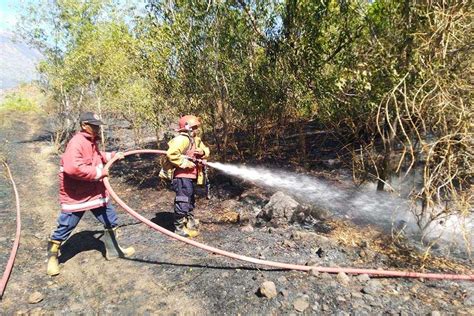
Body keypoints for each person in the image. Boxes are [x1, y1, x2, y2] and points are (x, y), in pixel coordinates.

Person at [47, 112, 135, 276]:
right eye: (93, 125)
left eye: (97, 125)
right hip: (77, 195)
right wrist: (99, 172)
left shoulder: (91, 141)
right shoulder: (77, 142)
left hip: (95, 193)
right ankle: (53, 258)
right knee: (66, 226)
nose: (96, 128)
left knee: (111, 220)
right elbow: (73, 168)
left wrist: (113, 156)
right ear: (83, 125)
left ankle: (114, 250)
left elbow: (97, 157)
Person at [166, 115, 210, 237]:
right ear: (188, 128)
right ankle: (179, 229)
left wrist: (203, 152)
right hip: (182, 176)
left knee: (190, 199)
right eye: (194, 127)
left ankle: (189, 222)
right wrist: (186, 163)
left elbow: (206, 150)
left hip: (191, 176)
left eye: (197, 127)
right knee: (183, 199)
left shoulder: (195, 139)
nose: (197, 130)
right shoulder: (182, 139)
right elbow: (172, 154)